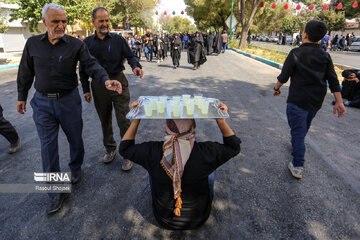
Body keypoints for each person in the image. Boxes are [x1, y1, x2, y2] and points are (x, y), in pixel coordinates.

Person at [16, 3, 123, 214]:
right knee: (48, 148)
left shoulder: (76, 44)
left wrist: (105, 80)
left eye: (63, 21)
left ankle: (75, 168)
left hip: (69, 101)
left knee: (75, 139)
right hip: (43, 104)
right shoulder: (32, 44)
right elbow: (25, 72)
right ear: (45, 22)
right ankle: (55, 192)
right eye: (56, 21)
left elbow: (91, 65)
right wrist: (21, 96)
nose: (61, 25)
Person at [119, 102, 241, 230]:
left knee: (152, 168)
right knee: (211, 168)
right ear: (192, 129)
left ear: (167, 130)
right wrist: (221, 121)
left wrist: (136, 119)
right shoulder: (206, 152)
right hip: (199, 218)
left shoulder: (152, 151)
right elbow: (234, 147)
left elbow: (124, 149)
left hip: (163, 219)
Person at [272, 20, 346, 179]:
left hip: (297, 100)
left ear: (304, 35)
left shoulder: (295, 53)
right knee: (303, 125)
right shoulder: (325, 55)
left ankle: (298, 164)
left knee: (297, 131)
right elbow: (333, 80)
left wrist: (276, 88)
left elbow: (284, 76)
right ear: (321, 38)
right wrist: (339, 101)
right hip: (315, 101)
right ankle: (296, 144)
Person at [80, 7, 143, 169]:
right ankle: (110, 148)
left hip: (119, 81)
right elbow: (83, 69)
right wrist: (86, 89)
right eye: (101, 20)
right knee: (105, 119)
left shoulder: (118, 40)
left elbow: (130, 56)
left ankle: (128, 153)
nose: (105, 23)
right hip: (99, 86)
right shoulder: (86, 43)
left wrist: (135, 66)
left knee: (124, 119)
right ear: (93, 22)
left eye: (107, 20)